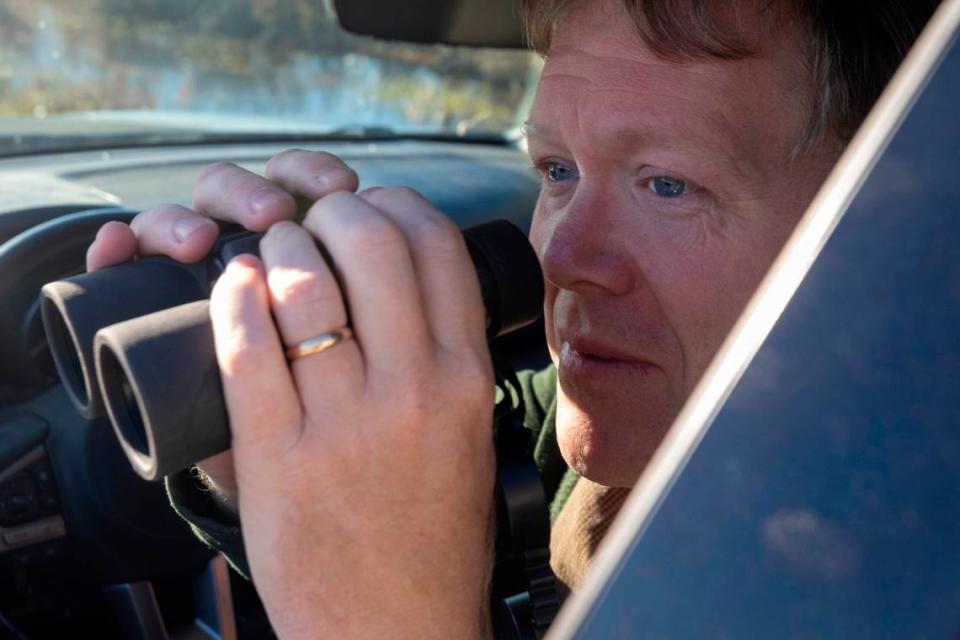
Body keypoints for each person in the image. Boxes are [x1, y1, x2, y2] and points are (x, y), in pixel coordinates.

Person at [85, 0, 938, 636]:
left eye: (667, 184)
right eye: (558, 169)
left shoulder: (904, 578)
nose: (564, 257)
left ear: (886, 219)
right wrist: (258, 440)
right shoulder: (607, 423)